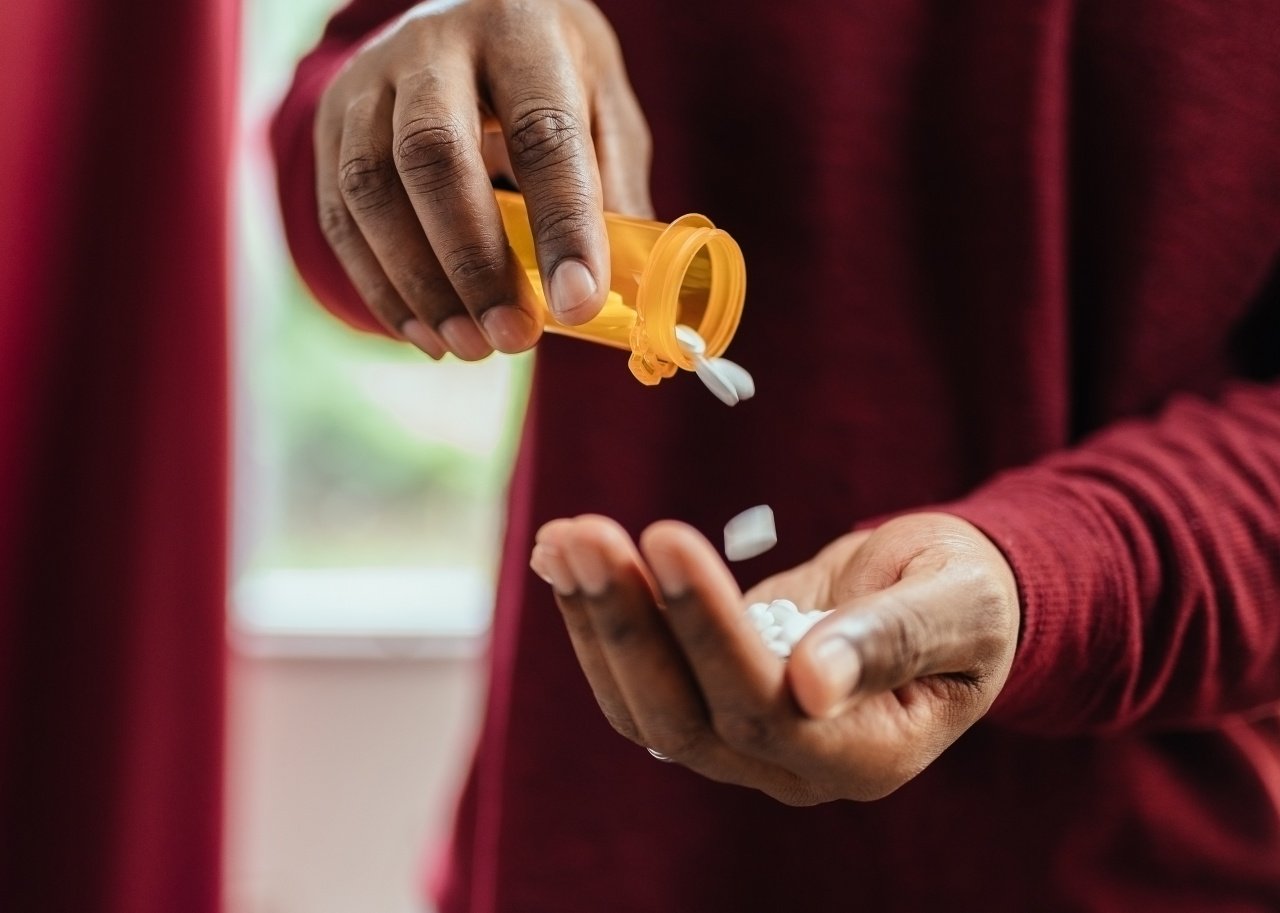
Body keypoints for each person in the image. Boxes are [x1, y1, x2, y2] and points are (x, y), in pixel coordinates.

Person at [272, 1, 1280, 909]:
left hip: (1130, 856)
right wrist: (404, 100)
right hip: (604, 847)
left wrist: (1038, 580)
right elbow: (324, 152)